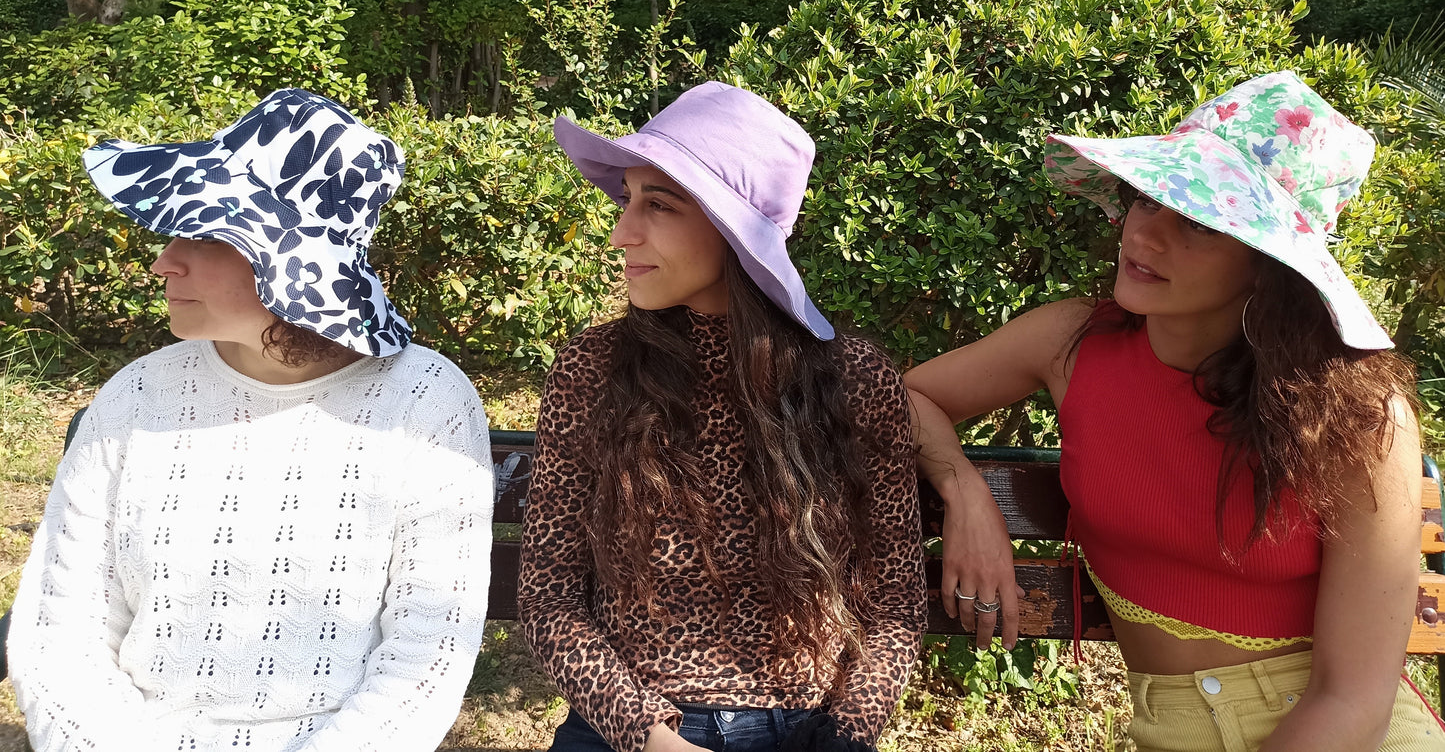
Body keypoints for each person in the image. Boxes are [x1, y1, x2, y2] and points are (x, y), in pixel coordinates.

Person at [906, 70, 1444, 752]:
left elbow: (1352, 700)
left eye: (1197, 222)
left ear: (1266, 264)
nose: (1146, 235)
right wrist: (961, 489)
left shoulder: (1359, 416)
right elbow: (899, 397)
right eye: (1146, 200)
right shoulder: (1070, 342)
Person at [7, 89, 494, 752]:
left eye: (203, 235)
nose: (162, 261)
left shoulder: (424, 405)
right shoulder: (134, 401)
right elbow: (59, 637)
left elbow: (424, 656)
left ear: (291, 265)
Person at [518, 82, 926, 752]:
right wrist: (648, 735)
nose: (621, 232)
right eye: (626, 199)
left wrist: (848, 736)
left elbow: (896, 607)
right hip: (629, 730)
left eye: (658, 204)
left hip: (809, 732)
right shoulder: (592, 371)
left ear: (730, 229)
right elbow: (548, 598)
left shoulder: (850, 379)